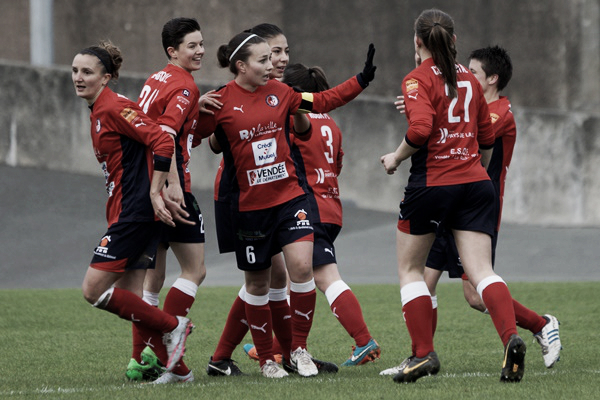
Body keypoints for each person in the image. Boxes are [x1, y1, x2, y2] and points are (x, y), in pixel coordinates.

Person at [194, 31, 376, 378]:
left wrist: (361, 80)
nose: (273, 65)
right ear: (241, 65)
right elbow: (193, 134)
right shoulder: (220, 101)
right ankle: (266, 360)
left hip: (290, 198)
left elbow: (324, 101)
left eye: (274, 56)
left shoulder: (283, 93)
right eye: (264, 59)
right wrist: (195, 108)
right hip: (249, 207)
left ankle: (299, 350)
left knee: (302, 269)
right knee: (259, 285)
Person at [383, 46, 562, 373]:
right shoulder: (467, 101)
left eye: (474, 73)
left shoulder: (500, 111)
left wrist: (421, 108)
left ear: (491, 79)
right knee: (425, 279)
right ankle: (420, 354)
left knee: (474, 294)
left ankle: (540, 324)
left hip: (474, 206)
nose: (465, 78)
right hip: (450, 199)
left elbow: (470, 134)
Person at [244, 63, 381, 367]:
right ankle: (279, 346)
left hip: (308, 208)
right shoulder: (331, 122)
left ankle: (363, 340)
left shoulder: (294, 119)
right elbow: (338, 165)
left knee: (323, 278)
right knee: (299, 279)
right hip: (331, 206)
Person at [72, 40, 194, 377]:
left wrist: (157, 189)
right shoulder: (99, 109)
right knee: (133, 302)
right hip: (127, 210)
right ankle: (180, 371)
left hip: (135, 212)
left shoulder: (114, 107)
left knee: (93, 290)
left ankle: (174, 326)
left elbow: (162, 139)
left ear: (106, 77)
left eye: (87, 72)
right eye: (75, 71)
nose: (78, 78)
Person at [125, 17, 207, 385]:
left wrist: (194, 106)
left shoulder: (157, 79)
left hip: (142, 185)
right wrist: (172, 186)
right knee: (195, 269)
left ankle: (140, 360)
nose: (200, 50)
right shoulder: (185, 84)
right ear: (172, 51)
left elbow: (154, 121)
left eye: (202, 43)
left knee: (151, 280)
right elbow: (165, 134)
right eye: (192, 45)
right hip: (170, 185)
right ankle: (170, 346)